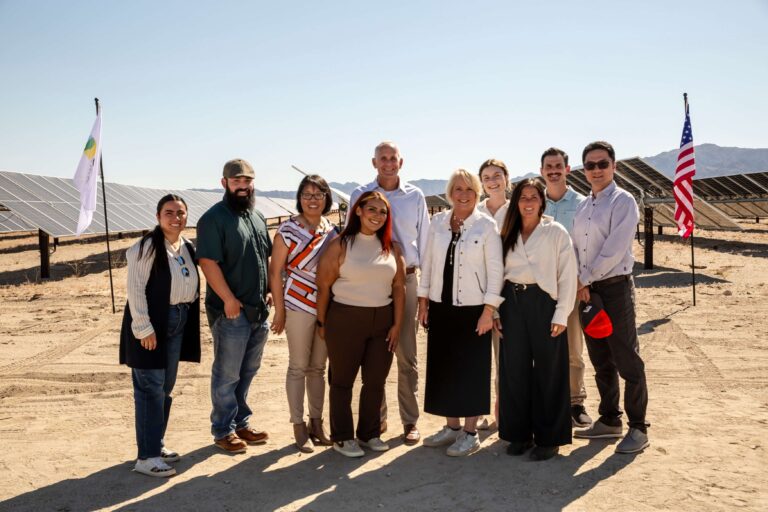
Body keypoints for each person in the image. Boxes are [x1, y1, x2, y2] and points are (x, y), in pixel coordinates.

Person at [418, 169, 504, 457]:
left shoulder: (486, 226)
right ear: (450, 192)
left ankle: (470, 433)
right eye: (458, 189)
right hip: (441, 306)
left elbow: (496, 272)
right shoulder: (438, 223)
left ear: (477, 193)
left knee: (472, 370)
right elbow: (428, 264)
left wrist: (488, 310)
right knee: (443, 367)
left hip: (474, 309)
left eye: (469, 189)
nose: (463, 194)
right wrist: (423, 300)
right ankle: (451, 427)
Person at [349, 141, 429, 445]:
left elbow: (424, 241)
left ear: (401, 162)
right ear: (374, 162)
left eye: (392, 158)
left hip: (406, 279)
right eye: (382, 158)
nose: (388, 163)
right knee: (376, 354)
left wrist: (424, 294)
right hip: (372, 282)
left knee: (407, 354)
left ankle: (410, 421)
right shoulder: (361, 195)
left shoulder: (415, 197)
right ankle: (377, 419)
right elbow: (351, 238)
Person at [572, 141, 650, 454]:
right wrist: (581, 281)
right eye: (590, 165)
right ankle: (609, 420)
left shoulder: (623, 201)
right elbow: (576, 248)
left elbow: (616, 248)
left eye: (602, 163)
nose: (596, 170)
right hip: (588, 290)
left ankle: (639, 427)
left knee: (626, 358)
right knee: (600, 357)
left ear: (613, 166)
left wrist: (584, 278)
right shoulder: (583, 206)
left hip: (615, 287)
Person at [316, 191, 407, 457]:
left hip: (383, 321)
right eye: (372, 209)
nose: (377, 216)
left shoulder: (392, 247)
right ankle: (343, 437)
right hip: (345, 319)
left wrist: (397, 325)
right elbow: (323, 287)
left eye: (383, 212)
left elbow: (399, 288)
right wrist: (322, 323)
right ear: (358, 211)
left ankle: (370, 433)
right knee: (342, 381)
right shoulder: (341, 245)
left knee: (375, 381)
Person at [120, 194, 200, 477]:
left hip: (178, 322)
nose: (176, 217)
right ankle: (147, 457)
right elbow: (135, 289)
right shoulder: (146, 247)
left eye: (181, 213)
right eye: (169, 212)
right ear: (158, 216)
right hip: (152, 325)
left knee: (164, 387)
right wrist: (143, 328)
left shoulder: (185, 246)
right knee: (149, 388)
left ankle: (156, 443)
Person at [496, 179, 577, 461]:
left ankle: (549, 437)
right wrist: (495, 309)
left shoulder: (555, 232)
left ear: (542, 201)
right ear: (515, 202)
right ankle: (518, 434)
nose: (528, 202)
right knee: (513, 370)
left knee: (549, 370)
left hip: (545, 303)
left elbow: (568, 274)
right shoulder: (506, 231)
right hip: (511, 303)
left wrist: (561, 314)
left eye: (533, 197)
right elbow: (496, 271)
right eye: (522, 197)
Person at [197, 158, 272, 454]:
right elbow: (208, 262)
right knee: (227, 373)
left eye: (247, 181)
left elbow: (264, 257)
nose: (242, 186)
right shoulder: (214, 218)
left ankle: (241, 422)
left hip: (258, 310)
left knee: (248, 370)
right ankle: (222, 429)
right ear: (224, 183)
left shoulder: (256, 216)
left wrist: (267, 290)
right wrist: (228, 299)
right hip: (231, 311)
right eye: (236, 181)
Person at [269, 175, 337, 452]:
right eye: (307, 194)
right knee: (298, 366)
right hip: (296, 303)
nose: (312, 199)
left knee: (318, 368)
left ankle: (317, 423)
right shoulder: (287, 230)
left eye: (318, 194)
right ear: (299, 198)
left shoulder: (330, 230)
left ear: (326, 198)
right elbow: (276, 272)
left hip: (325, 304)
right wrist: (280, 311)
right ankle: (298, 426)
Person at [539, 147, 592, 428]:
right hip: (540, 288)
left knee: (572, 347)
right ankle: (547, 400)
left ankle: (575, 402)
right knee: (542, 346)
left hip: (570, 287)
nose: (554, 170)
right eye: (549, 166)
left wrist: (583, 281)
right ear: (541, 171)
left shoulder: (583, 204)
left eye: (558, 165)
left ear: (567, 169)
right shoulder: (535, 204)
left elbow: (586, 246)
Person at [476, 158, 510, 429]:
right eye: (486, 177)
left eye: (496, 175)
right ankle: (478, 412)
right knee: (478, 358)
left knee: (506, 358)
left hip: (508, 293)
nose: (492, 181)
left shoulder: (517, 210)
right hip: (478, 294)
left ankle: (504, 412)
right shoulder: (475, 213)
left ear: (506, 178)